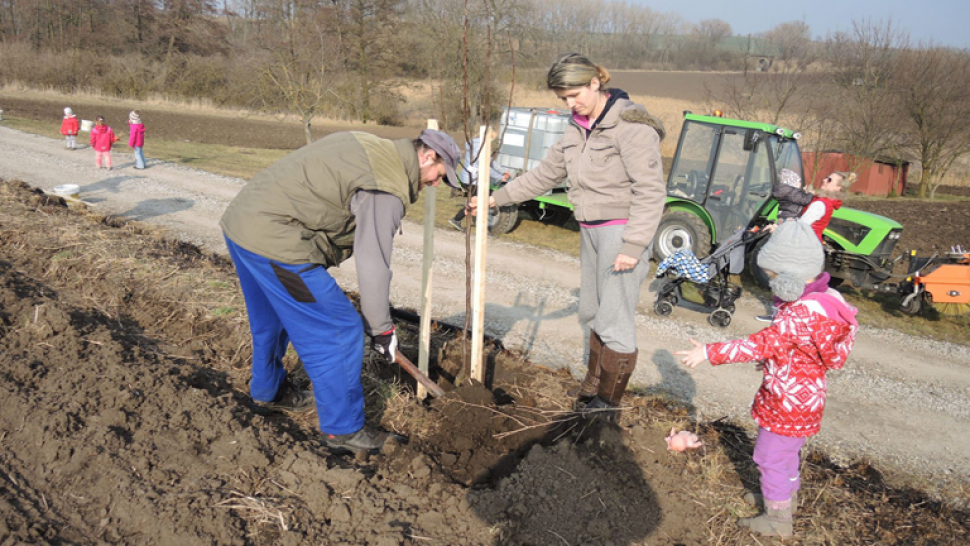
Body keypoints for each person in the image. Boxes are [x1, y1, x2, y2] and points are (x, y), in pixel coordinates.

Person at [220, 128, 461, 455]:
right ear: (427, 156)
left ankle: (268, 391)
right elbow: (373, 262)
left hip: (243, 224)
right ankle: (343, 431)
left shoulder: (371, 146)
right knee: (339, 328)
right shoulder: (386, 189)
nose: (435, 184)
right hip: (275, 242)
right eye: (439, 176)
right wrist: (381, 329)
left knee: (273, 318)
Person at [469, 52, 667, 416]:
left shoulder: (631, 126)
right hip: (590, 230)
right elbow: (545, 174)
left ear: (595, 83)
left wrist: (634, 246)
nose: (570, 103)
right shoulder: (576, 126)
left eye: (575, 94)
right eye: (563, 98)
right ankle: (593, 384)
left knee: (615, 318)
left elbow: (651, 190)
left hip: (621, 233)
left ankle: (607, 404)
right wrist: (494, 198)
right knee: (591, 311)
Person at [675, 219, 858, 538]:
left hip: (787, 402)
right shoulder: (824, 303)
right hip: (805, 399)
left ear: (790, 278)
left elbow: (759, 343)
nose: (771, 284)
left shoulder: (800, 315)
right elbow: (792, 349)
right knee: (786, 455)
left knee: (769, 457)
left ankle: (777, 521)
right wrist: (778, 360)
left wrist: (709, 352)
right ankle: (785, 500)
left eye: (773, 277)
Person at [449, 128, 510, 231]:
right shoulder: (479, 148)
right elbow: (485, 167)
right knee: (478, 202)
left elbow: (490, 161)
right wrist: (500, 177)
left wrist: (503, 170)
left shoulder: (477, 145)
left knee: (474, 202)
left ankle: (457, 219)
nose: (491, 142)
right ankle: (481, 229)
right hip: (472, 180)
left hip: (471, 178)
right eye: (491, 139)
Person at [801, 171, 857, 241]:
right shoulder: (828, 202)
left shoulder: (819, 204)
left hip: (804, 242)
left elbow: (801, 226)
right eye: (826, 178)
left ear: (838, 188)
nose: (824, 180)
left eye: (829, 180)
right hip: (813, 242)